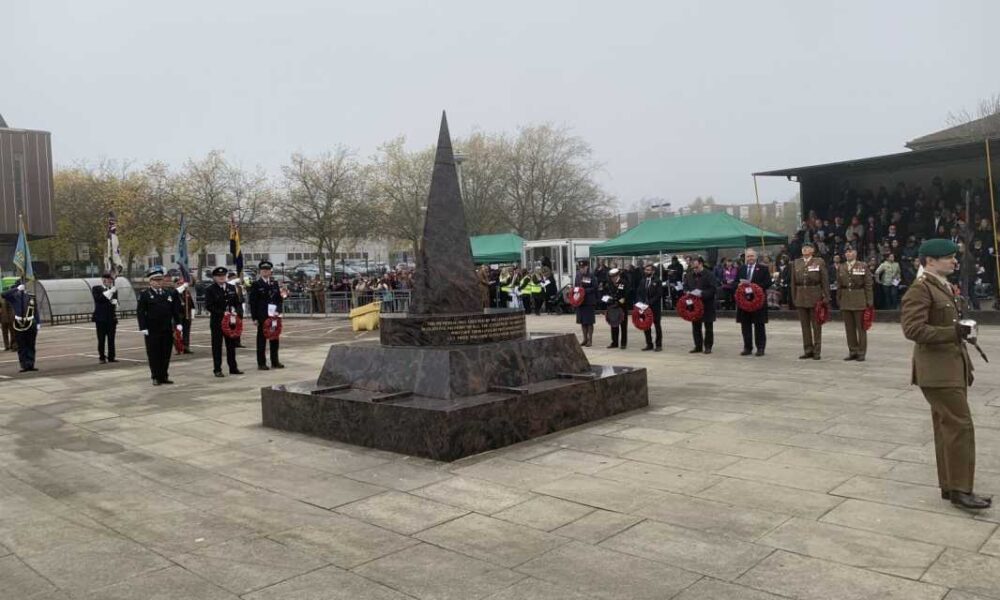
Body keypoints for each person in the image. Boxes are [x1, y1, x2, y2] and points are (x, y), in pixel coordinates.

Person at [901, 238, 991, 510]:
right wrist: (954, 332)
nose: (954, 261)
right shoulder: (920, 289)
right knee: (959, 426)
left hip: (949, 367)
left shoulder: (940, 286)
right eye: (948, 257)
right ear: (930, 261)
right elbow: (913, 330)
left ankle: (951, 486)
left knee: (947, 428)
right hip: (937, 372)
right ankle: (962, 491)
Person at [136, 268, 182, 385]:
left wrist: (178, 323)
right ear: (150, 281)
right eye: (155, 280)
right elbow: (140, 312)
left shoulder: (168, 293)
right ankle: (155, 377)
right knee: (154, 354)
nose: (158, 282)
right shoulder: (145, 295)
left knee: (166, 353)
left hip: (166, 329)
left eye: (160, 280)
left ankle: (164, 376)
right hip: (152, 330)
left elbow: (175, 310)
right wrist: (143, 327)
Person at [791, 241, 829, 359]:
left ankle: (817, 351)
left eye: (808, 248)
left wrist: (826, 296)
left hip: (815, 296)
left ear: (813, 250)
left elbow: (824, 280)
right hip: (801, 295)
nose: (805, 249)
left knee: (816, 325)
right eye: (803, 248)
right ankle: (808, 349)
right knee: (804, 326)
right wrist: (794, 297)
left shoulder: (819, 261)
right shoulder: (796, 262)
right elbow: (793, 282)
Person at [205, 266, 244, 377]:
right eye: (219, 276)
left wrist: (236, 311)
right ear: (214, 277)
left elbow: (237, 302)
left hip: (231, 321)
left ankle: (233, 367)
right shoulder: (210, 289)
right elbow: (209, 306)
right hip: (217, 321)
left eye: (223, 276)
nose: (222, 278)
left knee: (231, 346)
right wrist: (222, 313)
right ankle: (217, 369)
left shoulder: (231, 287)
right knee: (217, 346)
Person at [836, 246, 873, 361]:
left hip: (859, 298)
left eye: (850, 251)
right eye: (846, 252)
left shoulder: (863, 266)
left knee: (861, 328)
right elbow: (839, 285)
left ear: (856, 253)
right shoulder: (841, 267)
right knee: (849, 328)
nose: (848, 254)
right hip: (846, 298)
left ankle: (861, 352)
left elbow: (868, 284)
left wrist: (869, 301)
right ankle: (853, 350)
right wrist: (839, 299)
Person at [249, 260, 285, 370]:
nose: (265, 271)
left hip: (274, 315)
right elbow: (253, 302)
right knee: (261, 340)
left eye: (268, 270)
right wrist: (254, 317)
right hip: (262, 315)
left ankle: (275, 361)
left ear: (270, 271)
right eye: (263, 270)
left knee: (275, 338)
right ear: (260, 272)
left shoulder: (274, 284)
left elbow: (279, 299)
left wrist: (278, 311)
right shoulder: (256, 284)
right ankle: (261, 363)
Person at [736, 248, 770, 356]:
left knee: (759, 325)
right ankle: (747, 347)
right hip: (744, 302)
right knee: (745, 326)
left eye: (752, 256)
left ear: (756, 257)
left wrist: (755, 287)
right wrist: (738, 285)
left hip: (758, 302)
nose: (750, 258)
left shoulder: (763, 269)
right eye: (748, 256)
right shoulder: (741, 268)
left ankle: (760, 348)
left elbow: (768, 282)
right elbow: (736, 282)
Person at [683, 256, 717, 354]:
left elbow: (713, 289)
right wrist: (687, 292)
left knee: (708, 327)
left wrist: (702, 293)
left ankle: (708, 346)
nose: (695, 269)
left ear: (701, 264)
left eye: (696, 267)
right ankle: (698, 346)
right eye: (693, 267)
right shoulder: (689, 275)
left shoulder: (709, 274)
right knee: (696, 326)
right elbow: (685, 286)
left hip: (707, 304)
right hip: (694, 305)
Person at [2, 283, 40, 372]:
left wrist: (38, 322)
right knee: (22, 345)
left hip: (31, 322)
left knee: (31, 344)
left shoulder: (31, 296)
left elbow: (35, 310)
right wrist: (16, 289)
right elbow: (3, 294)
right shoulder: (14, 297)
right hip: (19, 323)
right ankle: (24, 365)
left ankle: (31, 364)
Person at [635, 262, 663, 352]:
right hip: (644, 308)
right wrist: (640, 302)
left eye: (648, 270)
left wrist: (650, 303)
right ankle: (649, 344)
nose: (646, 271)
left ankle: (658, 345)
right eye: (645, 270)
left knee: (657, 325)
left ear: (653, 271)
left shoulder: (657, 281)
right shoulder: (643, 281)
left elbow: (659, 294)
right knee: (646, 326)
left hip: (654, 307)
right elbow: (639, 292)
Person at [91, 272, 118, 364]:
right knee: (101, 339)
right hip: (100, 318)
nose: (110, 281)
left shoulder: (113, 289)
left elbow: (114, 301)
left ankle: (111, 356)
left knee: (111, 339)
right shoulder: (97, 288)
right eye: (108, 279)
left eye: (111, 280)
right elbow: (99, 299)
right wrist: (109, 291)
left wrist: (115, 303)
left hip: (111, 318)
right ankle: (102, 357)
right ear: (103, 279)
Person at [574, 260, 598, 346]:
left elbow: (595, 287)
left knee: (589, 322)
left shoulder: (591, 276)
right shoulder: (578, 275)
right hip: (580, 302)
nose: (582, 269)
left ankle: (590, 340)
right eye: (580, 268)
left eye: (583, 267)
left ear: (587, 267)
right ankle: (584, 339)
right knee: (583, 322)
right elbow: (576, 286)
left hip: (589, 302)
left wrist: (584, 291)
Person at [605, 268, 630, 349]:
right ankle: (614, 342)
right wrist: (607, 299)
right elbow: (608, 292)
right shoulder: (610, 283)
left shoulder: (623, 282)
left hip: (622, 306)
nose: (612, 278)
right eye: (611, 277)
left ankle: (623, 343)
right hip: (612, 306)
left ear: (617, 275)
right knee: (613, 324)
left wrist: (619, 302)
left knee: (623, 325)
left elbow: (626, 294)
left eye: (614, 277)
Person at [175, 277, 194, 354]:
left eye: (182, 283)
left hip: (186, 315)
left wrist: (192, 316)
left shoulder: (187, 293)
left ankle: (186, 348)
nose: (180, 285)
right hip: (177, 316)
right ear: (176, 285)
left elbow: (192, 305)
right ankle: (178, 348)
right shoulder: (174, 293)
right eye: (179, 283)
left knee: (186, 332)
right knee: (177, 333)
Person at [1, 287, 18, 352]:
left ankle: (13, 346)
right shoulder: (2, 299)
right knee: (5, 333)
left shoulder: (11, 298)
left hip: (11, 319)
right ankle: (7, 346)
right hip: (4, 319)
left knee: (13, 333)